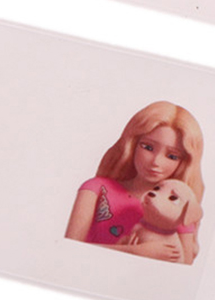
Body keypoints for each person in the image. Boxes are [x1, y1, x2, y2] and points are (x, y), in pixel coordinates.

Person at [65, 101, 204, 264]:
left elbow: (184, 268)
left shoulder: (176, 209)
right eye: (148, 147)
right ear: (132, 144)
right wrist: (135, 252)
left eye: (172, 156)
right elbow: (69, 249)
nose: (156, 162)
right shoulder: (96, 189)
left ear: (184, 162)